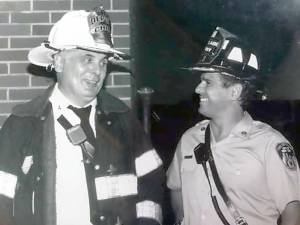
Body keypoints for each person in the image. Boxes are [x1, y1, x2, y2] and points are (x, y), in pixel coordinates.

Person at [0, 6, 164, 225]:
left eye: (103, 62)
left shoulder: (123, 120)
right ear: (58, 62)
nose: (97, 70)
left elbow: (152, 184)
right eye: (87, 59)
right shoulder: (22, 125)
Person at [167, 27, 300, 225]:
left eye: (207, 82)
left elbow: (292, 209)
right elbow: (175, 187)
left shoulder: (269, 145)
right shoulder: (189, 139)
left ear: (234, 92)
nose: (197, 88)